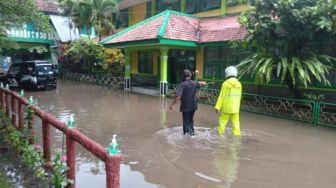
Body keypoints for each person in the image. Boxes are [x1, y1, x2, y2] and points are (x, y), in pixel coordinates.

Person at [169, 69, 206, 136]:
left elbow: (178, 97)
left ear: (183, 76)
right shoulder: (195, 83)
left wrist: (172, 105)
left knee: (186, 121)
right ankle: (192, 132)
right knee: (191, 120)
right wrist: (202, 83)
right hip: (193, 106)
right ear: (190, 75)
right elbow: (200, 84)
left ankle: (186, 135)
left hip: (185, 106)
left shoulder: (182, 84)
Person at [215, 66, 242, 136]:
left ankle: (220, 134)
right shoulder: (239, 84)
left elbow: (221, 96)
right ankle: (237, 136)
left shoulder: (225, 84)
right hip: (235, 108)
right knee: (236, 123)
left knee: (222, 122)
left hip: (226, 108)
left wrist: (217, 107)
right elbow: (239, 97)